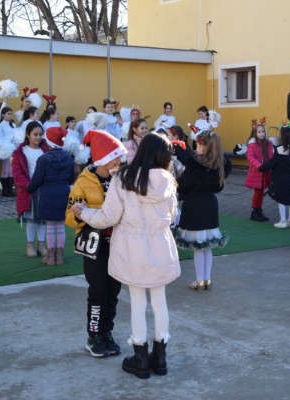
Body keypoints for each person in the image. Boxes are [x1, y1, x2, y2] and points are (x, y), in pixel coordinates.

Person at [72, 133, 180, 379]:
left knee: (138, 302)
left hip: (132, 250)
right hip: (160, 248)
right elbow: (173, 216)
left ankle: (140, 357)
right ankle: (160, 357)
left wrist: (84, 212)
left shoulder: (123, 179)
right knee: (160, 302)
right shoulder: (169, 181)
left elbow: (107, 218)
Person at [65, 129, 127, 358]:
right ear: (103, 158)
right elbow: (69, 218)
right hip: (94, 247)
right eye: (116, 156)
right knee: (98, 291)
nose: (121, 160)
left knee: (114, 291)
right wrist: (80, 213)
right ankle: (94, 336)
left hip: (118, 244)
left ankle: (107, 332)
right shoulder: (83, 182)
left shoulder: (121, 179)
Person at [174, 130, 228, 290]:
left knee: (198, 247)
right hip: (210, 205)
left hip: (195, 206)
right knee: (207, 247)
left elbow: (183, 183)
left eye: (198, 144)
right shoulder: (218, 164)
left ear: (205, 147)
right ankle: (207, 279)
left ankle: (199, 280)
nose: (196, 147)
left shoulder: (196, 167)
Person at [27, 127, 74, 265]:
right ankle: (59, 256)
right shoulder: (68, 157)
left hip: (47, 195)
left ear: (48, 142)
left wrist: (28, 189)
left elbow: (37, 179)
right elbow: (71, 178)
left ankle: (50, 256)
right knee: (60, 226)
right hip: (64, 193)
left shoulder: (43, 159)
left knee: (51, 226)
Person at [12, 121, 49, 257]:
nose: (38, 137)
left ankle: (41, 244)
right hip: (29, 190)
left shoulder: (45, 150)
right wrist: (27, 185)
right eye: (35, 134)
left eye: (40, 134)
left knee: (43, 219)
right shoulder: (20, 153)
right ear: (28, 135)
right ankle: (30, 245)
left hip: (44, 189)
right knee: (32, 219)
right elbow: (17, 174)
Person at [259, 125, 290, 228]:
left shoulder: (279, 149)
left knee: (281, 200)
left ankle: (283, 221)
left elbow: (272, 163)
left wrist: (261, 167)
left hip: (280, 180)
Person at [245, 122, 273, 222]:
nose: (261, 134)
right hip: (257, 172)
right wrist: (259, 166)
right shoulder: (252, 144)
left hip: (265, 171)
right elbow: (250, 157)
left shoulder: (268, 143)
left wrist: (269, 165)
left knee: (261, 193)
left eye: (263, 132)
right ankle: (255, 211)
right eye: (259, 132)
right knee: (258, 192)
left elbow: (270, 155)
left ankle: (258, 211)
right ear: (254, 133)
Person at [0, 106, 16, 197]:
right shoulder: (1, 125)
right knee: (5, 169)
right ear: (3, 115)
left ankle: (10, 188)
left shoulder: (13, 124)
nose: (10, 116)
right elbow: (1, 137)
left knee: (11, 169)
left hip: (13, 148)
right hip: (5, 149)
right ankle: (5, 190)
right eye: (8, 114)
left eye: (11, 114)